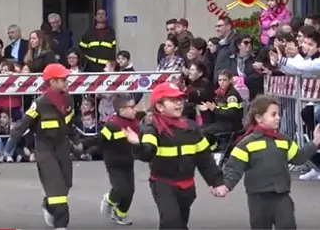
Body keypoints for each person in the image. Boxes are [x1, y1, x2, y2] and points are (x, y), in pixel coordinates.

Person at [218, 95, 320, 229]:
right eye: (273, 114)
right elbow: (234, 168)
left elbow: (298, 157)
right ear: (259, 118)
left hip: (281, 195)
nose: (278, 117)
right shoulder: (246, 143)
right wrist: (225, 185)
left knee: (287, 225)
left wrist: (315, 143)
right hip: (258, 198)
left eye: (279, 114)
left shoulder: (284, 141)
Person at [3, 63, 79, 230]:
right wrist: (9, 146)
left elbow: (69, 123)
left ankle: (48, 204)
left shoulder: (68, 99)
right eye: (63, 79)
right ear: (52, 82)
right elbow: (23, 125)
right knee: (56, 187)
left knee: (66, 183)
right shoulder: (40, 103)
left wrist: (77, 142)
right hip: (45, 148)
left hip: (62, 146)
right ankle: (61, 224)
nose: (67, 81)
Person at [138, 83, 224, 230]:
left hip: (187, 187)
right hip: (163, 183)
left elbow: (205, 158)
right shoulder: (152, 129)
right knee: (172, 223)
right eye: (173, 100)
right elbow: (147, 152)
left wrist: (216, 181)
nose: (179, 103)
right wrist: (136, 145)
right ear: (159, 107)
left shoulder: (192, 128)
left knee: (178, 223)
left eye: (180, 100)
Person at [85, 95, 140, 225]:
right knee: (121, 188)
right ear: (121, 110)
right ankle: (109, 200)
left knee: (130, 191)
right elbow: (99, 140)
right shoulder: (113, 124)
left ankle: (120, 214)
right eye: (131, 107)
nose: (135, 110)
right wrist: (83, 147)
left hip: (128, 161)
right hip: (114, 162)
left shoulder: (134, 122)